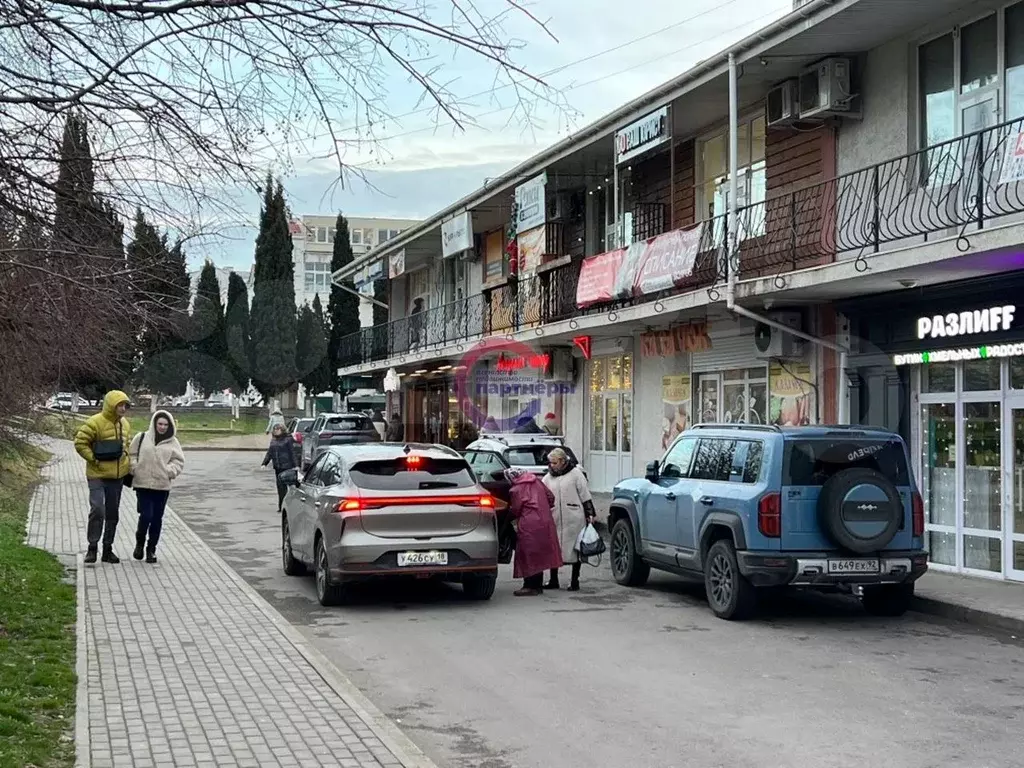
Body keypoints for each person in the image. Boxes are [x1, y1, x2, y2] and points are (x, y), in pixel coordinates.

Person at [73, 390, 132, 564]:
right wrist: (93, 459)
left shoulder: (126, 425)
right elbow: (80, 442)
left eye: (125, 405)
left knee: (113, 513)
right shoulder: (94, 423)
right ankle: (92, 547)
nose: (123, 408)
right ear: (111, 405)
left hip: (117, 475)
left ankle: (108, 549)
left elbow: (127, 444)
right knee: (98, 509)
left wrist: (126, 458)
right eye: (120, 405)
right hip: (97, 474)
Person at [128, 410, 185, 564]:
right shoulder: (142, 437)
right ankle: (139, 543)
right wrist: (134, 467)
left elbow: (179, 461)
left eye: (166, 425)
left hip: (162, 486)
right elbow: (131, 454)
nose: (162, 427)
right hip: (143, 484)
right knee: (146, 515)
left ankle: (151, 549)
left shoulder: (173, 442)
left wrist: (169, 471)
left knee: (156, 519)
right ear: (154, 423)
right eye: (160, 423)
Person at [542, 448, 596, 591]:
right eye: (550, 463)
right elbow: (542, 497)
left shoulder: (576, 474)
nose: (551, 465)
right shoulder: (547, 478)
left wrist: (590, 513)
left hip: (574, 518)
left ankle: (574, 581)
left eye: (554, 462)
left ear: (562, 461)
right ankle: (553, 580)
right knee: (554, 548)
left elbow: (585, 495)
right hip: (555, 518)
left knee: (575, 549)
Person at [505, 467, 563, 596]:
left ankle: (530, 586)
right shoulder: (537, 481)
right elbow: (551, 497)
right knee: (539, 554)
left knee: (528, 554)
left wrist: (505, 520)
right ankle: (538, 585)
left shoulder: (516, 489)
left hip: (529, 523)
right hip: (546, 521)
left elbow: (515, 509)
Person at [262, 423, 298, 512]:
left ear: (282, 430)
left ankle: (294, 505)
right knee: (280, 488)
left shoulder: (288, 439)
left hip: (287, 466)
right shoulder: (273, 441)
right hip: (278, 467)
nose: (276, 430)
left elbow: (292, 453)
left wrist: (296, 465)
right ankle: (281, 506)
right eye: (275, 429)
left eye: (278, 429)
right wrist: (264, 463)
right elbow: (270, 453)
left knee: (292, 487)